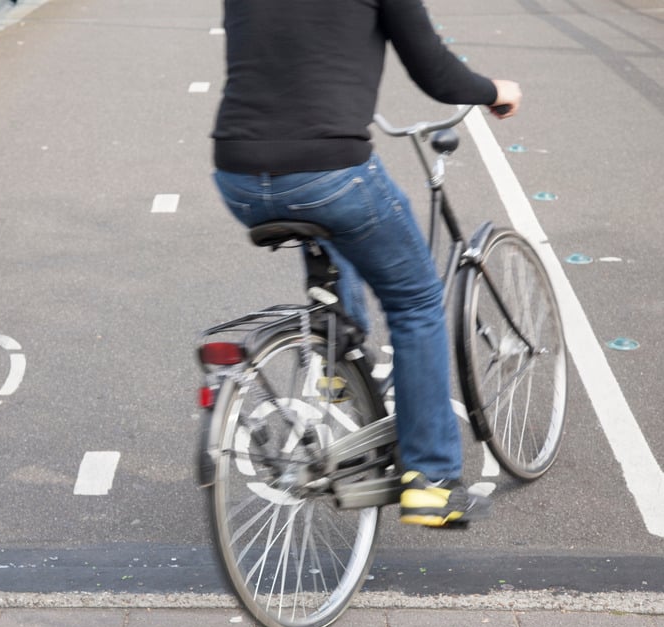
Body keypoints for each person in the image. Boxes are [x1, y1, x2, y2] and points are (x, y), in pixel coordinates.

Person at [211, 0, 522, 527]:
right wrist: (496, 92)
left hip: (238, 175)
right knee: (416, 298)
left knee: (335, 228)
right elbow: (436, 73)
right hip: (327, 169)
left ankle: (338, 361)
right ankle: (431, 482)